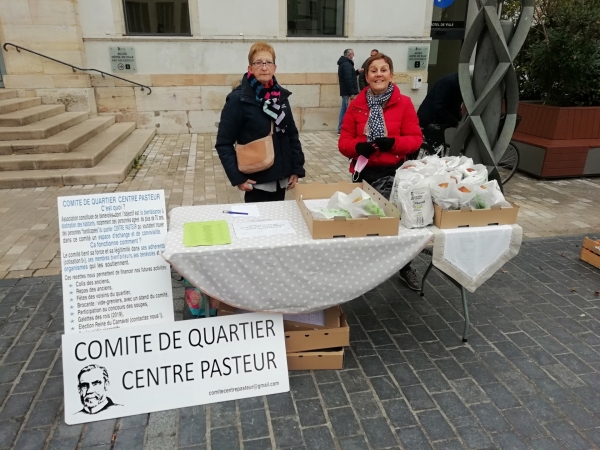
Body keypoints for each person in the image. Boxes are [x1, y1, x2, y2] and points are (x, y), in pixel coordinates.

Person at [338, 53, 423, 291]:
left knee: (399, 226)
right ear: (366, 76)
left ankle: (405, 267)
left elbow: (415, 139)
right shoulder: (356, 105)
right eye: (373, 71)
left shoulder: (403, 103)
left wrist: (393, 144)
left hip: (395, 174)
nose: (378, 74)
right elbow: (343, 142)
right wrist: (357, 147)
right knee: (366, 223)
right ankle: (368, 270)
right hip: (365, 174)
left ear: (391, 74)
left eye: (383, 70)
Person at [216, 42, 305, 202]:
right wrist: (237, 178)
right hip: (256, 181)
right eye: (258, 63)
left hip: (282, 179)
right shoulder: (238, 99)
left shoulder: (280, 97)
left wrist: (296, 168)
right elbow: (224, 143)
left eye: (268, 63)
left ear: (274, 67)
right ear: (250, 68)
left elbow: (291, 134)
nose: (264, 67)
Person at [337, 49, 363, 134]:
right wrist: (352, 92)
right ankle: (342, 129)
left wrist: (357, 72)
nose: (354, 56)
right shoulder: (347, 64)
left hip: (345, 91)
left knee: (344, 109)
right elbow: (348, 79)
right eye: (353, 54)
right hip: (348, 92)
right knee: (347, 110)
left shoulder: (344, 63)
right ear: (350, 55)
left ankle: (341, 128)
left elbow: (350, 76)